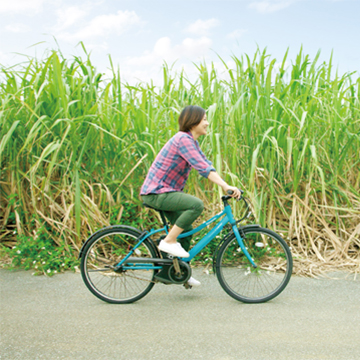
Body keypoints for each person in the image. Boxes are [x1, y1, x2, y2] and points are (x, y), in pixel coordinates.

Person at [140, 105, 241, 286]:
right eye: (204, 119)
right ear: (193, 121)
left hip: (164, 192)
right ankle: (168, 240)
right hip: (157, 192)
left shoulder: (191, 142)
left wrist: (226, 185)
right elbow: (203, 168)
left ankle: (178, 272)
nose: (207, 123)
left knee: (185, 230)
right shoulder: (183, 139)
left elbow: (206, 163)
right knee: (196, 205)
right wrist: (225, 186)